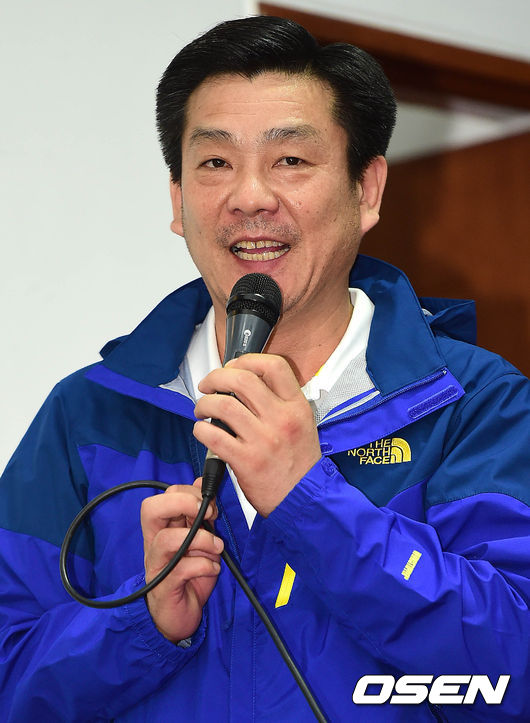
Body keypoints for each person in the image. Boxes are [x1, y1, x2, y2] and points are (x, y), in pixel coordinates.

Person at [0, 15, 529, 722]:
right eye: (215, 162)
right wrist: (139, 622)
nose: (249, 196)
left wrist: (310, 500)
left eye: (290, 160)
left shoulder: (475, 404)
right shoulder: (88, 415)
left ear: (367, 190)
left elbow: (516, 666)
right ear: (177, 200)